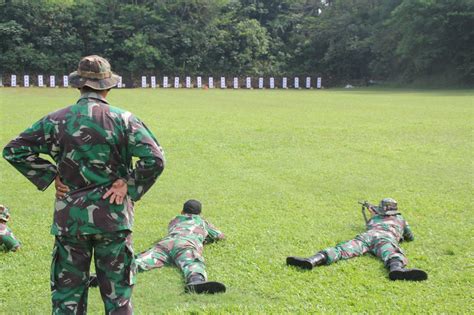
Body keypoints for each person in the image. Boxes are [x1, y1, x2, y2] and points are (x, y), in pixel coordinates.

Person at [3, 55, 165, 314]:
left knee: (68, 297)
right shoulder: (124, 119)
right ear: (108, 86)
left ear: (79, 85)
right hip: (113, 218)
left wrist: (50, 174)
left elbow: (14, 150)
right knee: (118, 298)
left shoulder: (55, 120)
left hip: (71, 220)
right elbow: (155, 158)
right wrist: (128, 185)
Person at [90, 200, 226, 294]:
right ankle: (196, 281)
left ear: (182, 210)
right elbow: (219, 235)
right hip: (185, 244)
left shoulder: (175, 220)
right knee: (192, 262)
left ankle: (104, 276)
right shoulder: (202, 222)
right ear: (199, 214)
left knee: (139, 262)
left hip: (166, 244)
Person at [286, 198, 428, 281]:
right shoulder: (400, 219)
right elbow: (410, 237)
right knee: (391, 253)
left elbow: (371, 222)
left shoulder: (374, 219)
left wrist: (374, 212)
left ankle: (312, 260)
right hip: (385, 238)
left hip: (368, 236)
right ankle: (396, 270)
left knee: (342, 249)